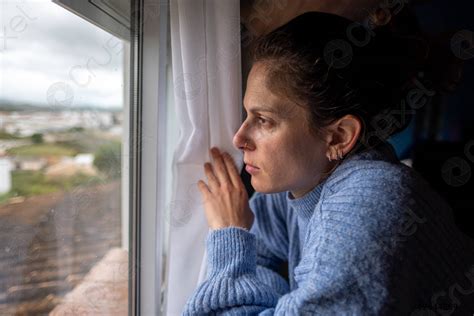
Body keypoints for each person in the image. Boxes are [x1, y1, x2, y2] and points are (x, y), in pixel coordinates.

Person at [183, 12, 474, 315]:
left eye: (264, 120)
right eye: (247, 115)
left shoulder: (368, 204)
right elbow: (258, 261)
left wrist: (231, 233)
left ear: (338, 136)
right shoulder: (302, 181)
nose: (239, 138)